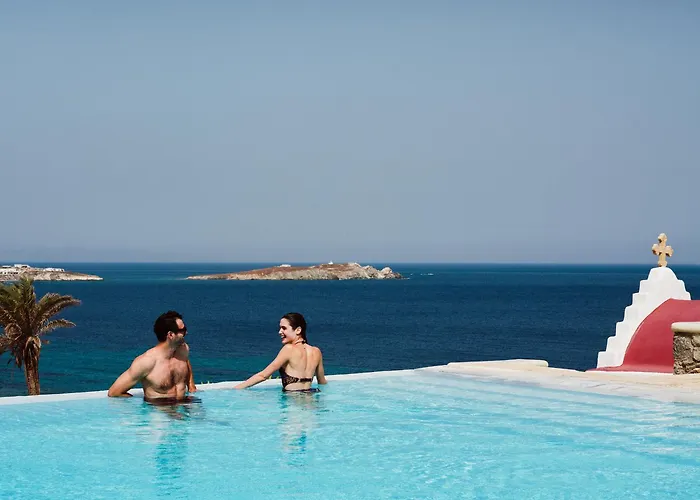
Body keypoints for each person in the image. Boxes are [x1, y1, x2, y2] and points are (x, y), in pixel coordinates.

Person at [108, 310, 197, 401]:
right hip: (158, 408)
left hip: (184, 405)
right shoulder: (146, 362)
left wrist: (191, 384)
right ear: (170, 335)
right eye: (183, 330)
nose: (186, 333)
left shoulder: (183, 349)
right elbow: (114, 392)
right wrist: (138, 403)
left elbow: (185, 361)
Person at [235, 312, 327, 391]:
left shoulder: (289, 349)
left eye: (284, 328)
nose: (280, 332)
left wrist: (236, 389)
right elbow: (322, 382)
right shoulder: (316, 351)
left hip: (293, 402)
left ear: (298, 330)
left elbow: (263, 376)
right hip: (311, 401)